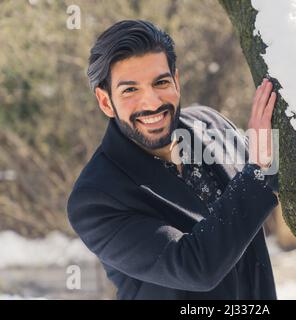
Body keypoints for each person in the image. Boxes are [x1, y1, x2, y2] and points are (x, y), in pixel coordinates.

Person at [67, 19, 279, 300]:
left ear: (176, 81)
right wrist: (256, 171)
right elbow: (195, 268)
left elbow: (272, 174)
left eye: (161, 82)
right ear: (106, 101)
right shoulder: (95, 198)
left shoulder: (211, 122)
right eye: (130, 90)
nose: (152, 102)